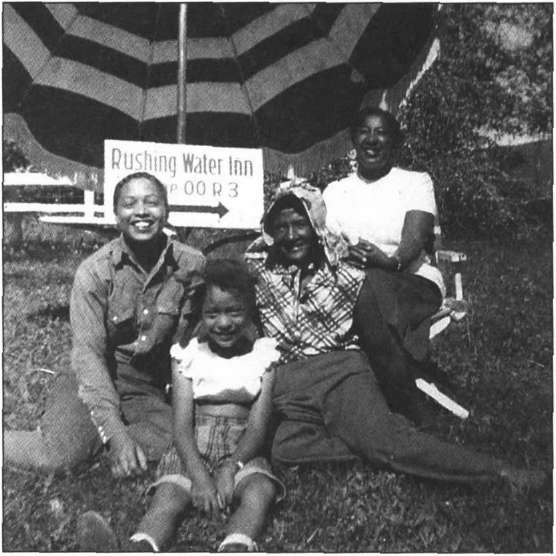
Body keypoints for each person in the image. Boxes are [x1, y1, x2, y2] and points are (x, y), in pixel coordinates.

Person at [245, 183, 545, 488]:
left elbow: (382, 347)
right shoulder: (259, 271)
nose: (292, 235)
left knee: (386, 443)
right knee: (283, 451)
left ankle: (498, 472)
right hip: (289, 385)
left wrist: (411, 405)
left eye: (300, 225)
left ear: (317, 227)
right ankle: (368, 442)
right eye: (282, 227)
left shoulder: (346, 275)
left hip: (339, 374)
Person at [4, 172, 205, 476]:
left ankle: (99, 446)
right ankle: (85, 439)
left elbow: (194, 341)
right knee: (59, 458)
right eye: (129, 204)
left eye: (151, 203)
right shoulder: (95, 272)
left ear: (167, 212)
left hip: (145, 390)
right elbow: (87, 356)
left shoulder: (192, 265)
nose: (141, 212)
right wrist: (116, 431)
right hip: (89, 380)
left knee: (182, 446)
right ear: (116, 215)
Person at [77, 259, 284, 552]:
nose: (224, 323)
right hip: (192, 447)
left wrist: (230, 469)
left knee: (260, 492)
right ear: (200, 313)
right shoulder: (187, 356)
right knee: (168, 498)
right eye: (212, 313)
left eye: (234, 311)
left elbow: (258, 427)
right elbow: (182, 426)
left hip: (242, 447)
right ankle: (141, 547)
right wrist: (199, 476)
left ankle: (235, 546)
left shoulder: (264, 358)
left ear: (249, 311)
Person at [322, 107, 450, 414]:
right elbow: (327, 243)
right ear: (354, 139)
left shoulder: (415, 182)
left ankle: (402, 401)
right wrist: (343, 254)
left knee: (367, 290)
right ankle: (401, 394)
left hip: (412, 279)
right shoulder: (336, 191)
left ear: (394, 142)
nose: (372, 139)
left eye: (381, 133)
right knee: (364, 289)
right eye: (365, 131)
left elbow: (416, 236)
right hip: (351, 283)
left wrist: (389, 262)